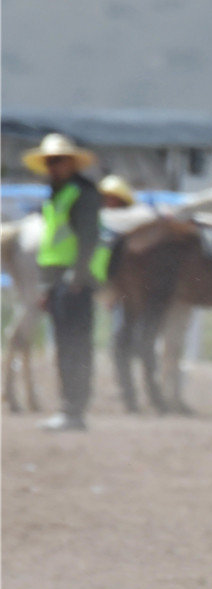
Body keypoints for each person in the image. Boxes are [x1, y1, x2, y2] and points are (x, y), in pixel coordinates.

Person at [24, 133, 102, 431]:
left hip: (74, 282)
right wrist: (46, 287)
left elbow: (88, 239)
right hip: (57, 281)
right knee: (64, 344)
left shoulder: (82, 193)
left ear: (71, 162)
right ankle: (68, 407)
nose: (52, 166)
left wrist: (77, 278)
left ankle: (74, 409)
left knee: (76, 346)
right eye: (49, 162)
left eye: (57, 161)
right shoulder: (55, 194)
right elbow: (50, 245)